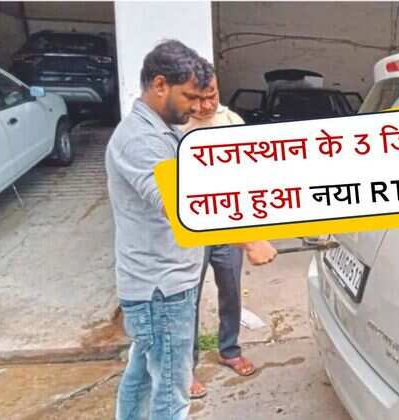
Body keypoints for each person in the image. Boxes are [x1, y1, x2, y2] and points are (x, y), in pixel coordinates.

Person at [105, 40, 276, 420]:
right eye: (190, 97)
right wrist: (250, 241)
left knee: (143, 376)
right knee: (171, 389)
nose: (198, 108)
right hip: (160, 289)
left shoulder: (162, 131)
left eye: (204, 97)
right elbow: (183, 207)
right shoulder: (142, 140)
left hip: (159, 283)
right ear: (160, 84)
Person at [180, 62, 274, 399]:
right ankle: (185, 367)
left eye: (213, 96)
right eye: (200, 97)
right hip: (192, 229)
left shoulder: (231, 121)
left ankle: (229, 350)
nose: (207, 105)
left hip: (230, 223)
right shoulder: (176, 126)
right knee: (187, 298)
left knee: (231, 289)